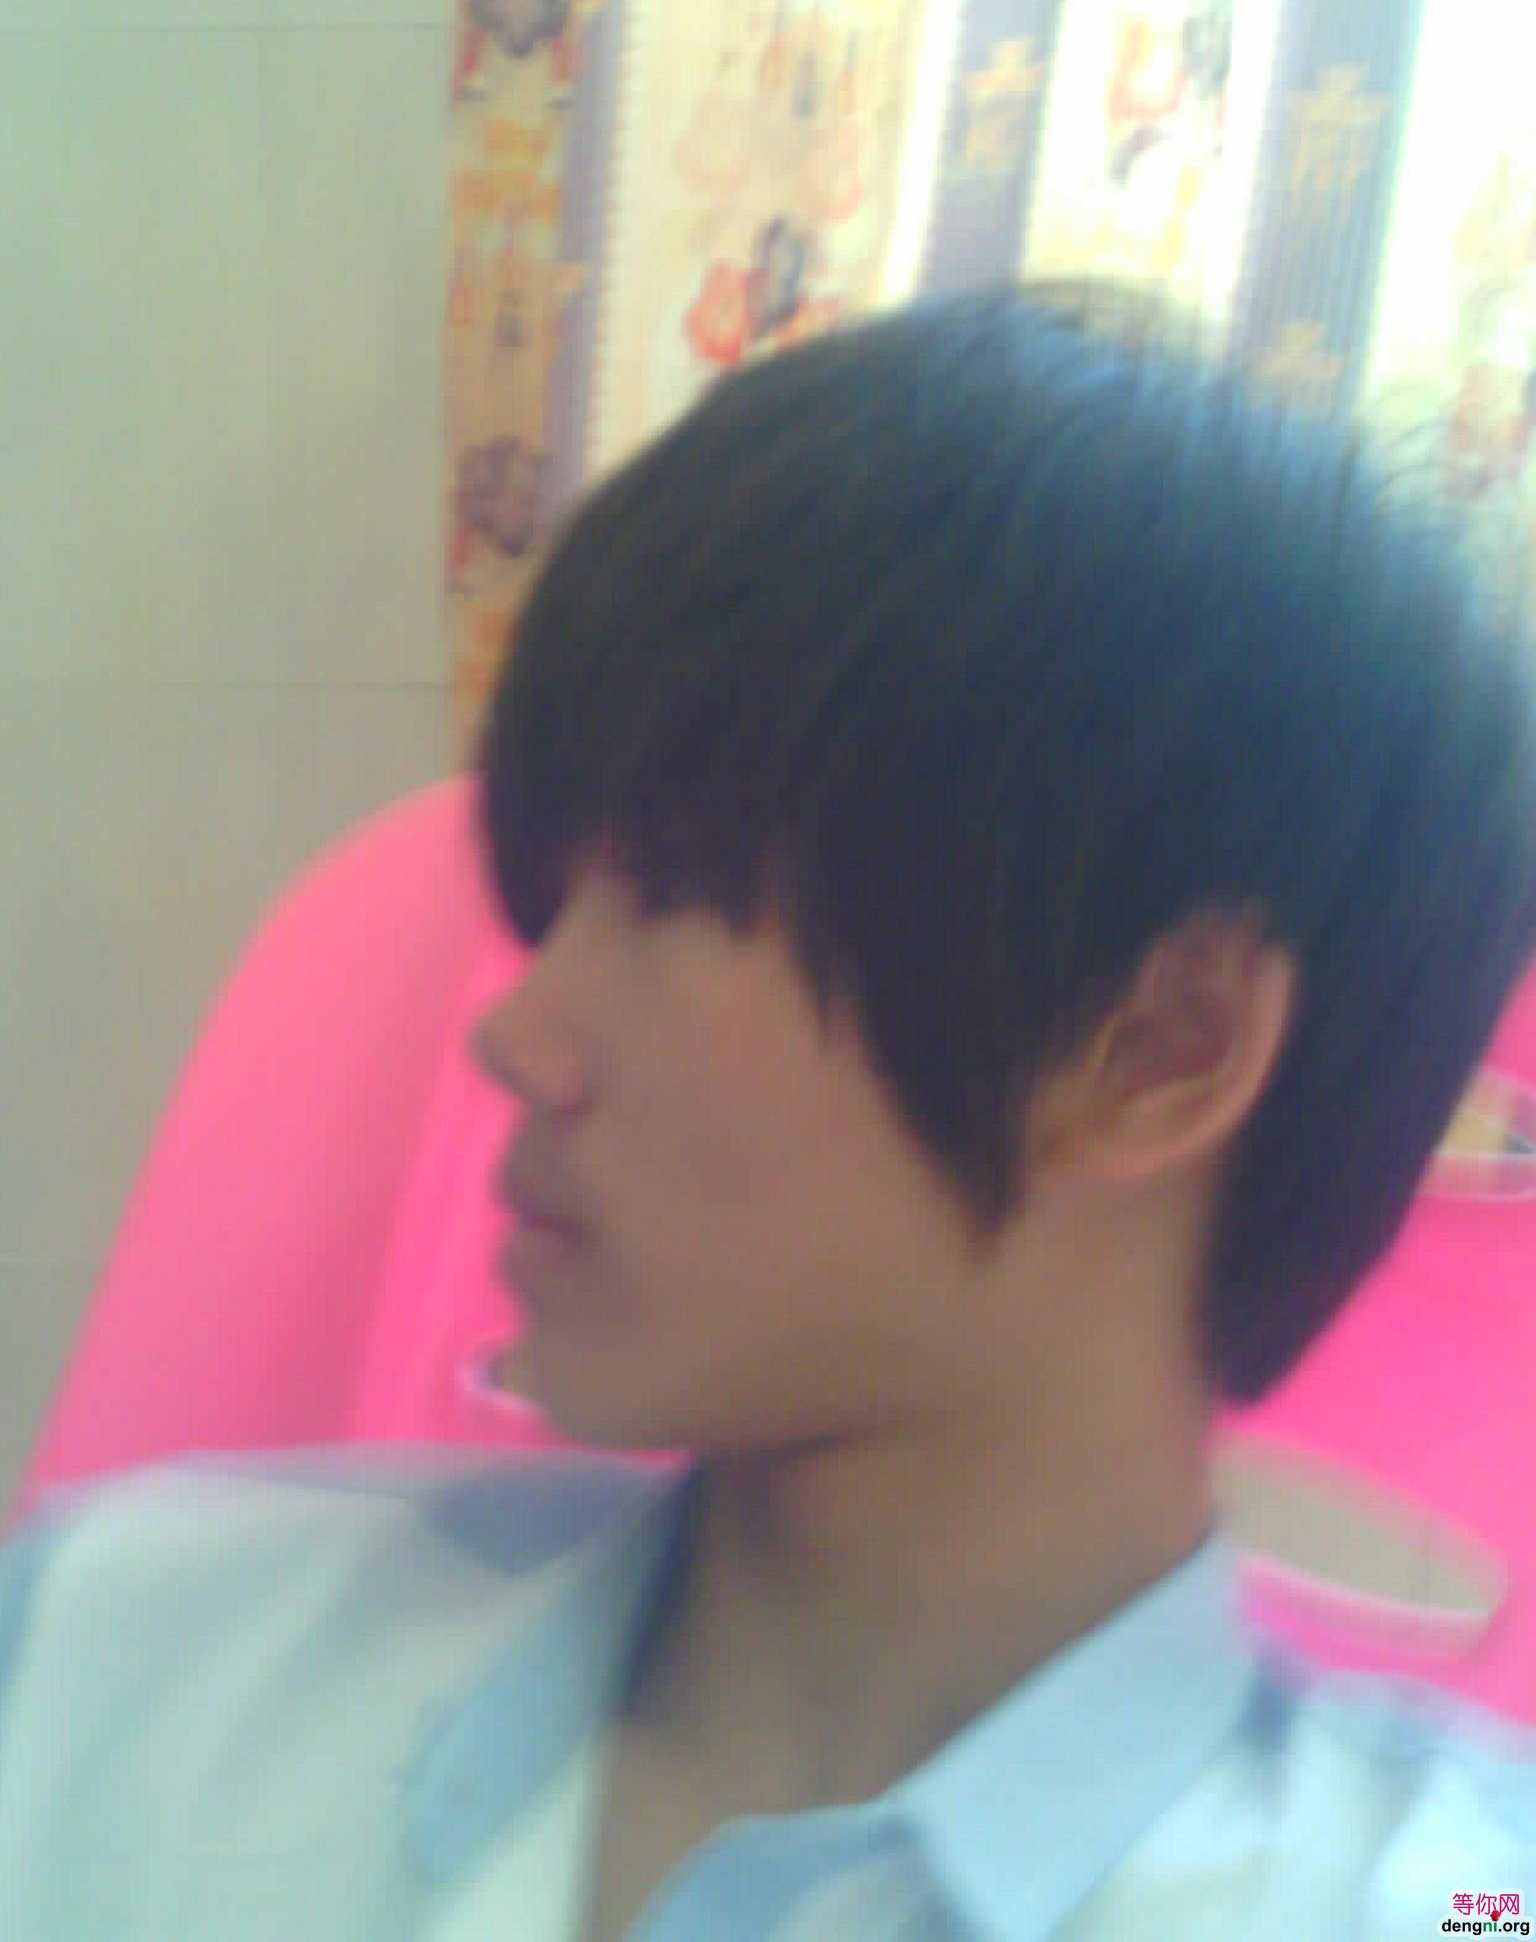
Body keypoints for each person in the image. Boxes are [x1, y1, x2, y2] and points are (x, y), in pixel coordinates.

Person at [3, 286, 1536, 1940]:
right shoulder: (108, 1655)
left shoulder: (1459, 1903)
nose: (517, 1034)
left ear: (1160, 1048)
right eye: (556, 900)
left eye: (672, 888)